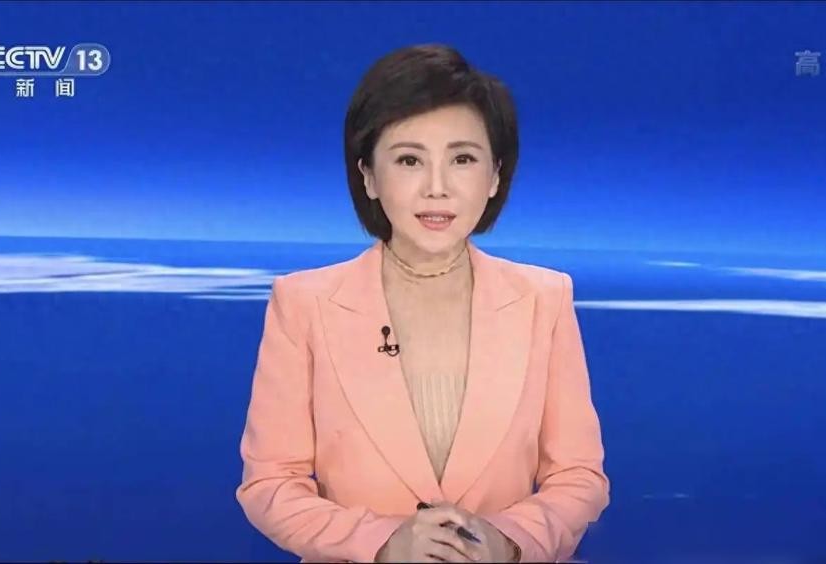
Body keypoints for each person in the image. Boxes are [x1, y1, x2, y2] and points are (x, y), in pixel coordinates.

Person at [235, 43, 610, 563]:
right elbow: (271, 484)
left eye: (462, 159)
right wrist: (384, 543)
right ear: (368, 176)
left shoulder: (544, 299)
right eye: (410, 160)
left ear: (495, 176)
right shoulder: (303, 304)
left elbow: (578, 477)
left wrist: (507, 541)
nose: (437, 188)